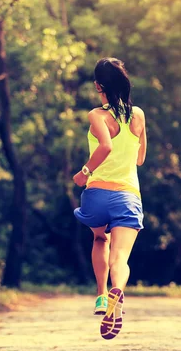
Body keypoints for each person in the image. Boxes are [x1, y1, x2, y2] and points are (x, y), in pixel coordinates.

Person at [72, 57, 147, 340]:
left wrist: (84, 172)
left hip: (97, 194)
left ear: (98, 86)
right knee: (121, 257)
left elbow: (104, 146)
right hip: (128, 196)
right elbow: (140, 158)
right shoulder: (138, 115)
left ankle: (102, 296)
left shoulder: (96, 116)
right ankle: (118, 289)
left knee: (100, 239)